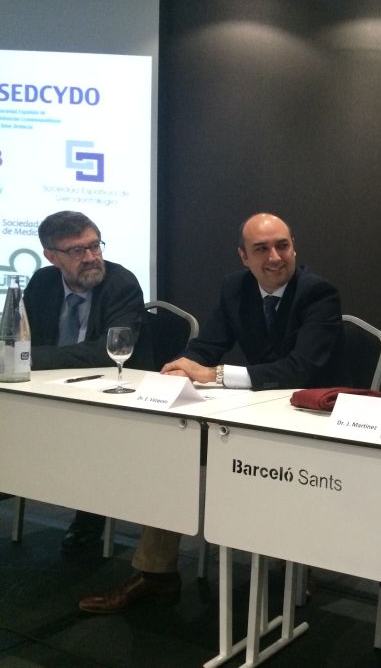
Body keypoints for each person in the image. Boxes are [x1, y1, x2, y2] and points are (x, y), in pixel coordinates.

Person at [78, 212, 346, 614]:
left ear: (294, 247)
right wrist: (181, 365)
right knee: (174, 446)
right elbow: (210, 344)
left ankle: (293, 563)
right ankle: (156, 574)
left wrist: (214, 374)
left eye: (283, 245)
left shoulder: (318, 292)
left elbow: (300, 368)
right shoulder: (235, 287)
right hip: (254, 406)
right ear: (244, 257)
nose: (275, 257)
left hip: (307, 416)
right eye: (261, 249)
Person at [24, 210, 151, 554]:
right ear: (52, 256)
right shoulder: (41, 283)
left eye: (95, 245)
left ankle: (89, 517)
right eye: (77, 251)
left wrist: (29, 360)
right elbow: (19, 338)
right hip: (47, 389)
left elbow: (107, 352)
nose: (92, 257)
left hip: (109, 394)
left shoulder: (121, 283)